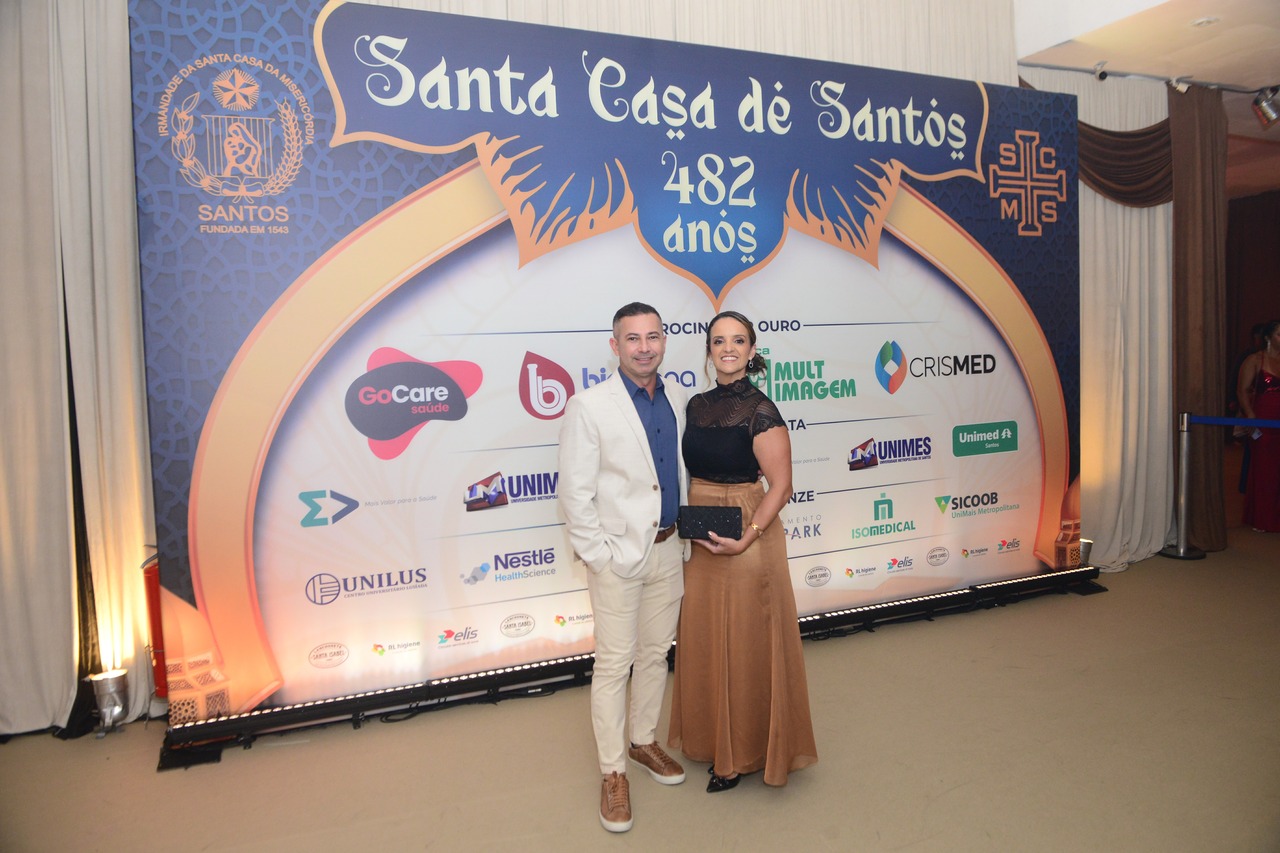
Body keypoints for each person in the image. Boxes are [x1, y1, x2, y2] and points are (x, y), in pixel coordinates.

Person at [667, 310, 818, 793]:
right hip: (703, 535)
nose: (727, 349)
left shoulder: (760, 409)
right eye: (718, 341)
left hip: (749, 534)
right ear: (708, 350)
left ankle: (742, 754)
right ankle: (714, 740)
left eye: (737, 341)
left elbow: (782, 486)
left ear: (752, 351)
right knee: (706, 639)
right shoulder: (695, 406)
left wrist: (748, 536)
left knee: (745, 643)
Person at [557, 302, 689, 833]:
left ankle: (643, 741)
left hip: (670, 549)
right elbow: (574, 493)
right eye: (632, 338)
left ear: (664, 341)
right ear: (615, 346)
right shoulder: (589, 406)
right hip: (617, 558)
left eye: (653, 336)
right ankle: (613, 772)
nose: (644, 347)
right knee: (614, 666)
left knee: (655, 654)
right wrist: (600, 557)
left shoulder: (678, 398)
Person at [1238, 319, 1280, 532]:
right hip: (1263, 418)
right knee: (1264, 470)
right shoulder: (1255, 359)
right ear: (1268, 337)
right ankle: (1262, 519)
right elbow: (1242, 390)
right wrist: (1250, 415)